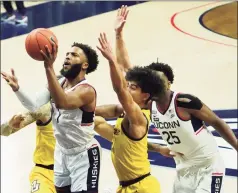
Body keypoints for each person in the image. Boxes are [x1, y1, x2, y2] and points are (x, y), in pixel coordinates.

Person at [113, 5, 238, 193]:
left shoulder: (184, 102)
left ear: (168, 83)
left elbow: (218, 122)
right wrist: (118, 35)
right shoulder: (150, 102)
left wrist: (236, 147)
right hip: (183, 168)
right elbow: (126, 68)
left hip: (208, 166)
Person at [1, 42, 101, 193]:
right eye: (67, 53)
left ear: (85, 65)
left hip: (83, 154)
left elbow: (63, 102)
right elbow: (35, 106)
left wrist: (48, 67)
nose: (68, 56)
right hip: (61, 153)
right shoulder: (59, 82)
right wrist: (17, 89)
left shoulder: (86, 90)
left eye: (74, 55)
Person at [96, 32, 162, 193]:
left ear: (145, 96)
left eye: (132, 88)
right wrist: (118, 35)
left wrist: (111, 61)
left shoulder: (139, 116)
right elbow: (125, 68)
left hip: (142, 188)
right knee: (95, 121)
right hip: (126, 186)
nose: (128, 88)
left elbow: (120, 89)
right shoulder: (127, 110)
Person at [1, 103, 56, 193]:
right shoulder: (48, 110)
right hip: (44, 174)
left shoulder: (85, 114)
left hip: (72, 176)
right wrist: (9, 125)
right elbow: (32, 114)